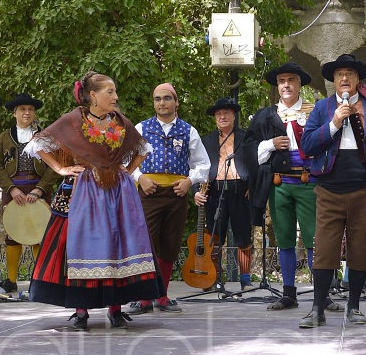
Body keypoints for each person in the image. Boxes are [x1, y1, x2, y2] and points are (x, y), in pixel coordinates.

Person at [26, 71, 159, 330]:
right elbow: (38, 143)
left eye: (115, 91)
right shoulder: (73, 121)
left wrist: (128, 170)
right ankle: (81, 312)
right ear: (93, 95)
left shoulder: (120, 122)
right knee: (81, 245)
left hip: (117, 194)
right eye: (110, 92)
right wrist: (61, 168)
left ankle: (115, 309)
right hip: (83, 192)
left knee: (118, 245)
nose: (115, 96)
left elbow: (142, 148)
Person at [297, 53, 366, 328]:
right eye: (339, 74)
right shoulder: (322, 108)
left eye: (349, 74)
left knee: (360, 250)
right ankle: (317, 309)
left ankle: (354, 307)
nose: (344, 78)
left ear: (357, 79)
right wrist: (334, 123)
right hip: (329, 190)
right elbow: (307, 146)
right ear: (333, 80)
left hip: (364, 190)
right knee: (324, 249)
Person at [240, 61, 328, 311]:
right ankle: (289, 293)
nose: (286, 85)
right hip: (279, 185)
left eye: (291, 80)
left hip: (309, 183)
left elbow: (328, 142)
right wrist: (270, 144)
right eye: (281, 81)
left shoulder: (315, 112)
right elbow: (247, 149)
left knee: (314, 240)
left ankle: (322, 295)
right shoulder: (266, 115)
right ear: (277, 86)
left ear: (299, 84)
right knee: (285, 239)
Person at [129, 83, 211, 313]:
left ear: (176, 102)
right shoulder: (141, 128)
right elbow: (126, 159)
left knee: (169, 245)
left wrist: (189, 181)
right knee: (145, 244)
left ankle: (162, 296)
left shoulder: (188, 131)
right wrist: (140, 178)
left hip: (177, 193)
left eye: (167, 98)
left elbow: (203, 163)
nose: (162, 103)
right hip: (149, 193)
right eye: (157, 99)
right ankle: (144, 298)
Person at [0, 92, 59, 293]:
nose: (26, 112)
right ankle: (10, 279)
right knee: (12, 234)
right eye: (22, 109)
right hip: (13, 191)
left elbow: (54, 166)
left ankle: (40, 279)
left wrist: (39, 189)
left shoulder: (45, 137)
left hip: (38, 189)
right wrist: (12, 189)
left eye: (30, 109)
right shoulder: (3, 138)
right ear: (15, 113)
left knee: (39, 233)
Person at [195, 98, 253, 292]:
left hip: (240, 190)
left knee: (243, 237)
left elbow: (256, 163)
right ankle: (215, 278)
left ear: (233, 116)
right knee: (214, 238)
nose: (222, 117)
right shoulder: (206, 140)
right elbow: (196, 166)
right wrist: (196, 191)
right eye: (218, 114)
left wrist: (252, 186)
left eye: (226, 113)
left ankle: (246, 281)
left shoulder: (246, 137)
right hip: (214, 191)